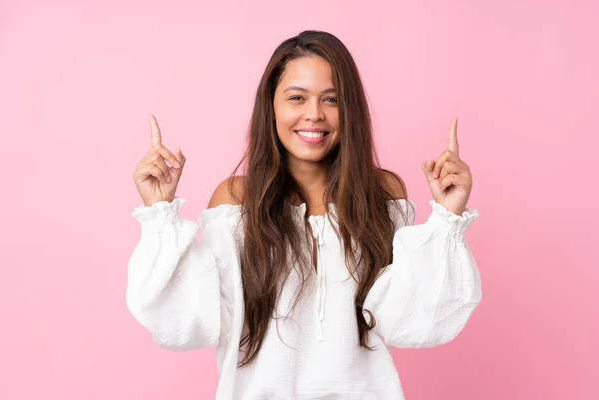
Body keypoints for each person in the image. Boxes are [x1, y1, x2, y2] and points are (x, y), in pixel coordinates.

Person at [127, 30, 481, 400]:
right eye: (297, 97)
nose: (314, 114)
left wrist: (447, 218)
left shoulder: (382, 194)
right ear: (272, 106)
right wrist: (159, 212)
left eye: (331, 99)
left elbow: (409, 320)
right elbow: (190, 320)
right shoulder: (236, 200)